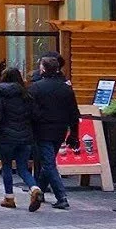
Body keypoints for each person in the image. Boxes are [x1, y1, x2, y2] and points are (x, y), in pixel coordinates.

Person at [28, 53, 81, 209]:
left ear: (43, 69)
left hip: (42, 129)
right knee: (48, 162)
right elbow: (73, 112)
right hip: (60, 129)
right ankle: (41, 191)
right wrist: (74, 132)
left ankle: (61, 196)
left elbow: (32, 111)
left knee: (49, 163)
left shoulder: (36, 88)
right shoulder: (66, 88)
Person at [0, 67, 44, 211]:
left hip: (6, 136)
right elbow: (35, 115)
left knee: (7, 166)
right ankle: (34, 188)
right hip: (25, 136)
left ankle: (9, 197)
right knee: (22, 168)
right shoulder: (26, 94)